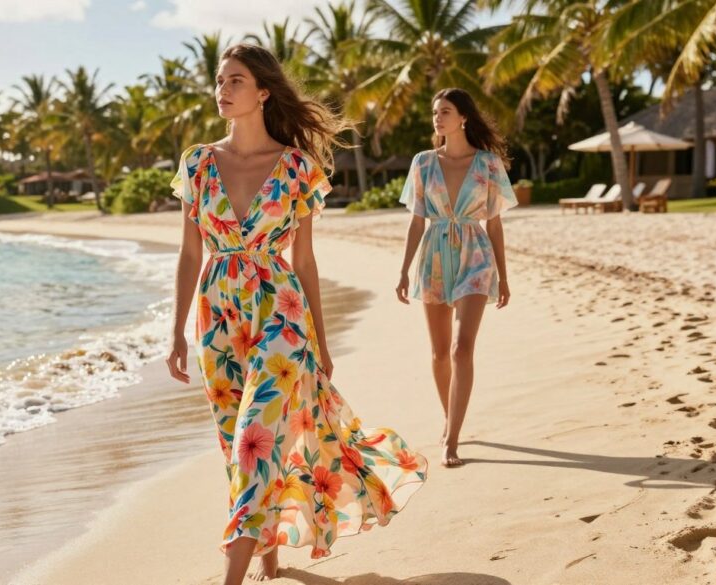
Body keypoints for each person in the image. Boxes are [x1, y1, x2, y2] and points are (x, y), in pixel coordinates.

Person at [166, 44, 426, 584]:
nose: (222, 90)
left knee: (254, 438)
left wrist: (321, 342)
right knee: (235, 444)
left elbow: (304, 260)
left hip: (281, 312)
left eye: (235, 80)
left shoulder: (297, 167)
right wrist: (175, 334)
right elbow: (190, 254)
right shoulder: (197, 162)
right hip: (217, 316)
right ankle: (268, 556)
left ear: (263, 92)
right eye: (219, 80)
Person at [395, 87, 517, 468]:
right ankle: (449, 416)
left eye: (445, 111)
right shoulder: (422, 163)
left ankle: (452, 439)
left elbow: (494, 225)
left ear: (463, 117)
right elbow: (416, 222)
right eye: (435, 112)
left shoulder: (488, 164)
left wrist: (504, 277)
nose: (437, 118)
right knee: (438, 353)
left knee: (461, 349)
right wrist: (403, 270)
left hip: (475, 257)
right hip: (433, 256)